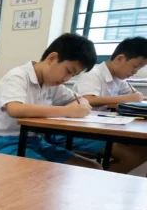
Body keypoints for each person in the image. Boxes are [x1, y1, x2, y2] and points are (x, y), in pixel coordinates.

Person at [0, 33, 101, 169]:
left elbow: (81, 99)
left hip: (35, 141)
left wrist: (78, 107)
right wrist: (67, 111)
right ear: (52, 58)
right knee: (47, 175)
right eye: (68, 71)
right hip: (0, 142)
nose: (67, 79)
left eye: (73, 75)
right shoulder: (18, 76)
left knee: (93, 168)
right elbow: (15, 109)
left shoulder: (52, 85)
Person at [62, 36, 147, 173]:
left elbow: (137, 97)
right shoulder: (93, 74)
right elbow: (88, 99)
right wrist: (125, 98)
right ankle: (99, 187)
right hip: (82, 131)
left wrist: (135, 98)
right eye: (135, 67)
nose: (134, 73)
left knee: (143, 148)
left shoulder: (119, 79)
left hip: (101, 128)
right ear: (120, 59)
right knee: (131, 156)